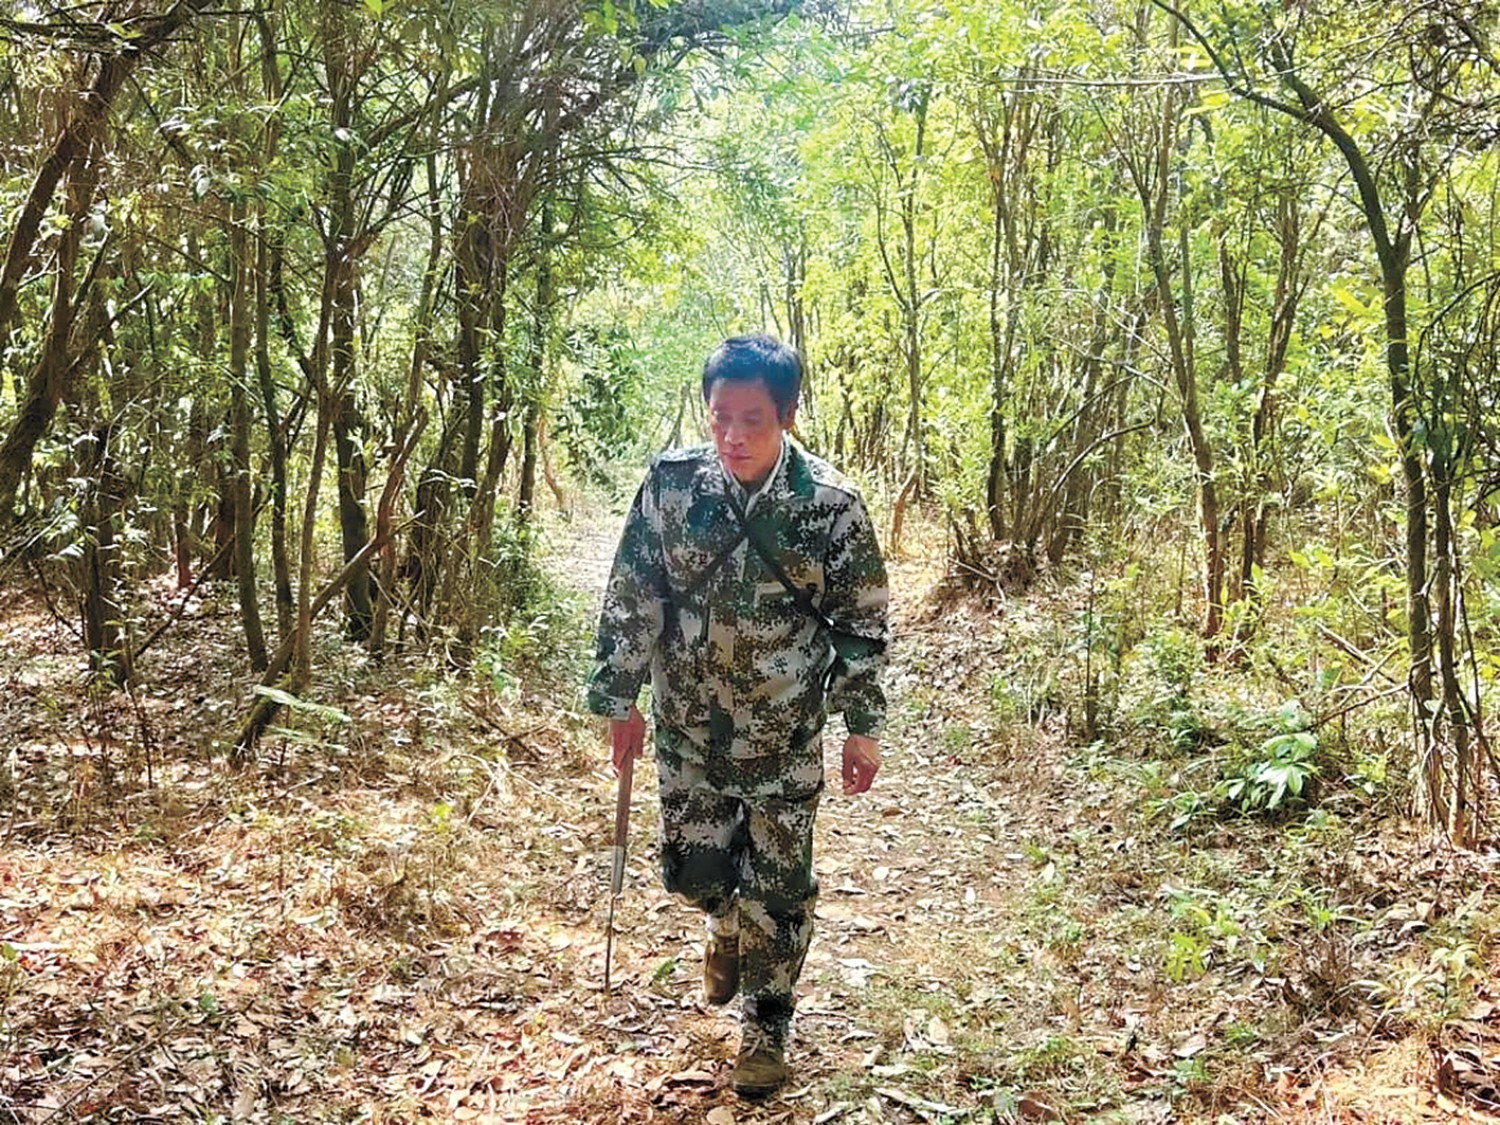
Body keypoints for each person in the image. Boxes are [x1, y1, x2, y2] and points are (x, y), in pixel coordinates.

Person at [586, 333, 890, 1099]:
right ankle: (724, 924)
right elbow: (633, 594)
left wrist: (861, 725)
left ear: (787, 414)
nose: (733, 435)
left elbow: (860, 625)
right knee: (696, 874)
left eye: (752, 418)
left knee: (779, 888)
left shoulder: (832, 506)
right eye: (720, 416)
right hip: (689, 728)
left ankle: (767, 1025)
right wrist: (619, 698)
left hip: (785, 732)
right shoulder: (672, 486)